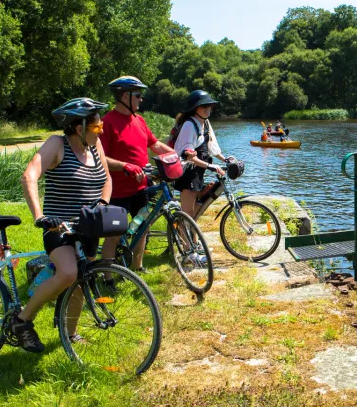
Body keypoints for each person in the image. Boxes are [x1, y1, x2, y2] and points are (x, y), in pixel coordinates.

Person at [16, 98, 112, 353]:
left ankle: (70, 333)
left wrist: (102, 203)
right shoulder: (57, 145)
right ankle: (22, 320)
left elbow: (107, 178)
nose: (101, 130)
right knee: (69, 272)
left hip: (89, 226)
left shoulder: (95, 146)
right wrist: (40, 216)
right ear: (79, 128)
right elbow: (30, 176)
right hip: (59, 228)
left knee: (82, 278)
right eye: (97, 127)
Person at [100, 76, 175, 274]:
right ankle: (108, 276)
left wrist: (176, 155)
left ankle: (137, 267)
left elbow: (155, 144)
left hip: (141, 188)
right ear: (125, 96)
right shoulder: (107, 123)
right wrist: (125, 165)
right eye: (138, 96)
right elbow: (99, 158)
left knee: (143, 228)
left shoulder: (139, 120)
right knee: (114, 235)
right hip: (117, 192)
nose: (141, 100)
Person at [173, 90, 234, 221]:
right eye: (204, 106)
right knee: (187, 214)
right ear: (195, 108)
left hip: (198, 172)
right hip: (188, 174)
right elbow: (188, 155)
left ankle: (193, 241)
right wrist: (210, 166)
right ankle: (184, 241)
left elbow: (211, 147)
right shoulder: (189, 125)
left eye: (209, 106)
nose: (208, 109)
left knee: (195, 212)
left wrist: (225, 159)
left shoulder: (205, 122)